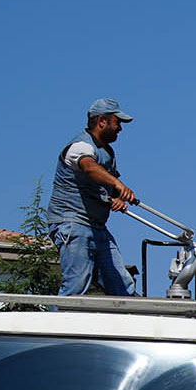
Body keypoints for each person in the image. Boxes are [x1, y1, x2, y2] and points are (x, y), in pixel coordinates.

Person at [51, 98, 139, 296]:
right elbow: (89, 167)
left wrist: (119, 196)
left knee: (122, 284)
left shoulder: (107, 153)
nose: (120, 129)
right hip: (73, 222)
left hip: (97, 226)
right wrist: (118, 185)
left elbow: (109, 185)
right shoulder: (79, 146)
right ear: (102, 121)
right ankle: (61, 324)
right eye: (118, 123)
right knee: (76, 284)